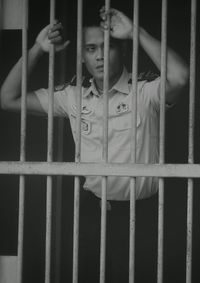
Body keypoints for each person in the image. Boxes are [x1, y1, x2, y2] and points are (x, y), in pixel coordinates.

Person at [0, 7, 188, 283]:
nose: (100, 55)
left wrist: (136, 32)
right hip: (92, 213)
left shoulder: (145, 91)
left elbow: (181, 76)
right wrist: (37, 49)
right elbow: (7, 98)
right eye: (90, 48)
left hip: (144, 216)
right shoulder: (73, 96)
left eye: (108, 47)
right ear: (81, 56)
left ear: (122, 51)